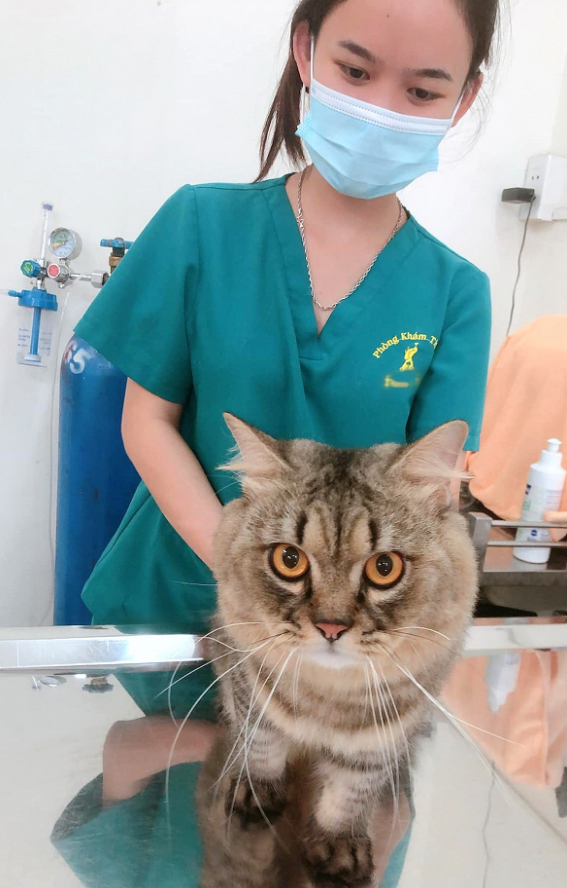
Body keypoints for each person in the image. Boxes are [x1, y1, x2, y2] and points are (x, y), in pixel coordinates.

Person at [72, 0, 499, 883]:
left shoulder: (456, 291)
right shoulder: (200, 223)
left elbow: (432, 500)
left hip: (362, 657)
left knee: (331, 845)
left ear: (463, 100)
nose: (383, 104)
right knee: (180, 849)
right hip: (186, 604)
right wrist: (253, 584)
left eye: (422, 89)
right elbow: (143, 422)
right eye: (354, 70)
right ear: (305, 52)